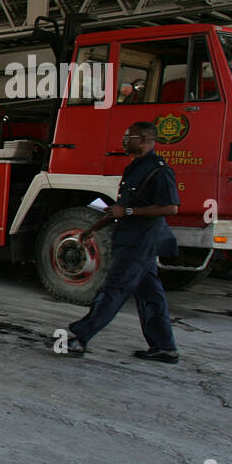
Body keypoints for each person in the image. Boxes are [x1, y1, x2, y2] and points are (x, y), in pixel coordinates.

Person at [64, 121, 180, 361]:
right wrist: (94, 228)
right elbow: (121, 207)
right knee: (151, 296)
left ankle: (79, 338)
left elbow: (170, 207)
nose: (124, 140)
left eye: (130, 137)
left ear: (146, 140)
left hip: (141, 243)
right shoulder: (134, 168)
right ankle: (165, 347)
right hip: (130, 240)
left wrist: (128, 213)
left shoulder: (159, 170)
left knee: (113, 289)